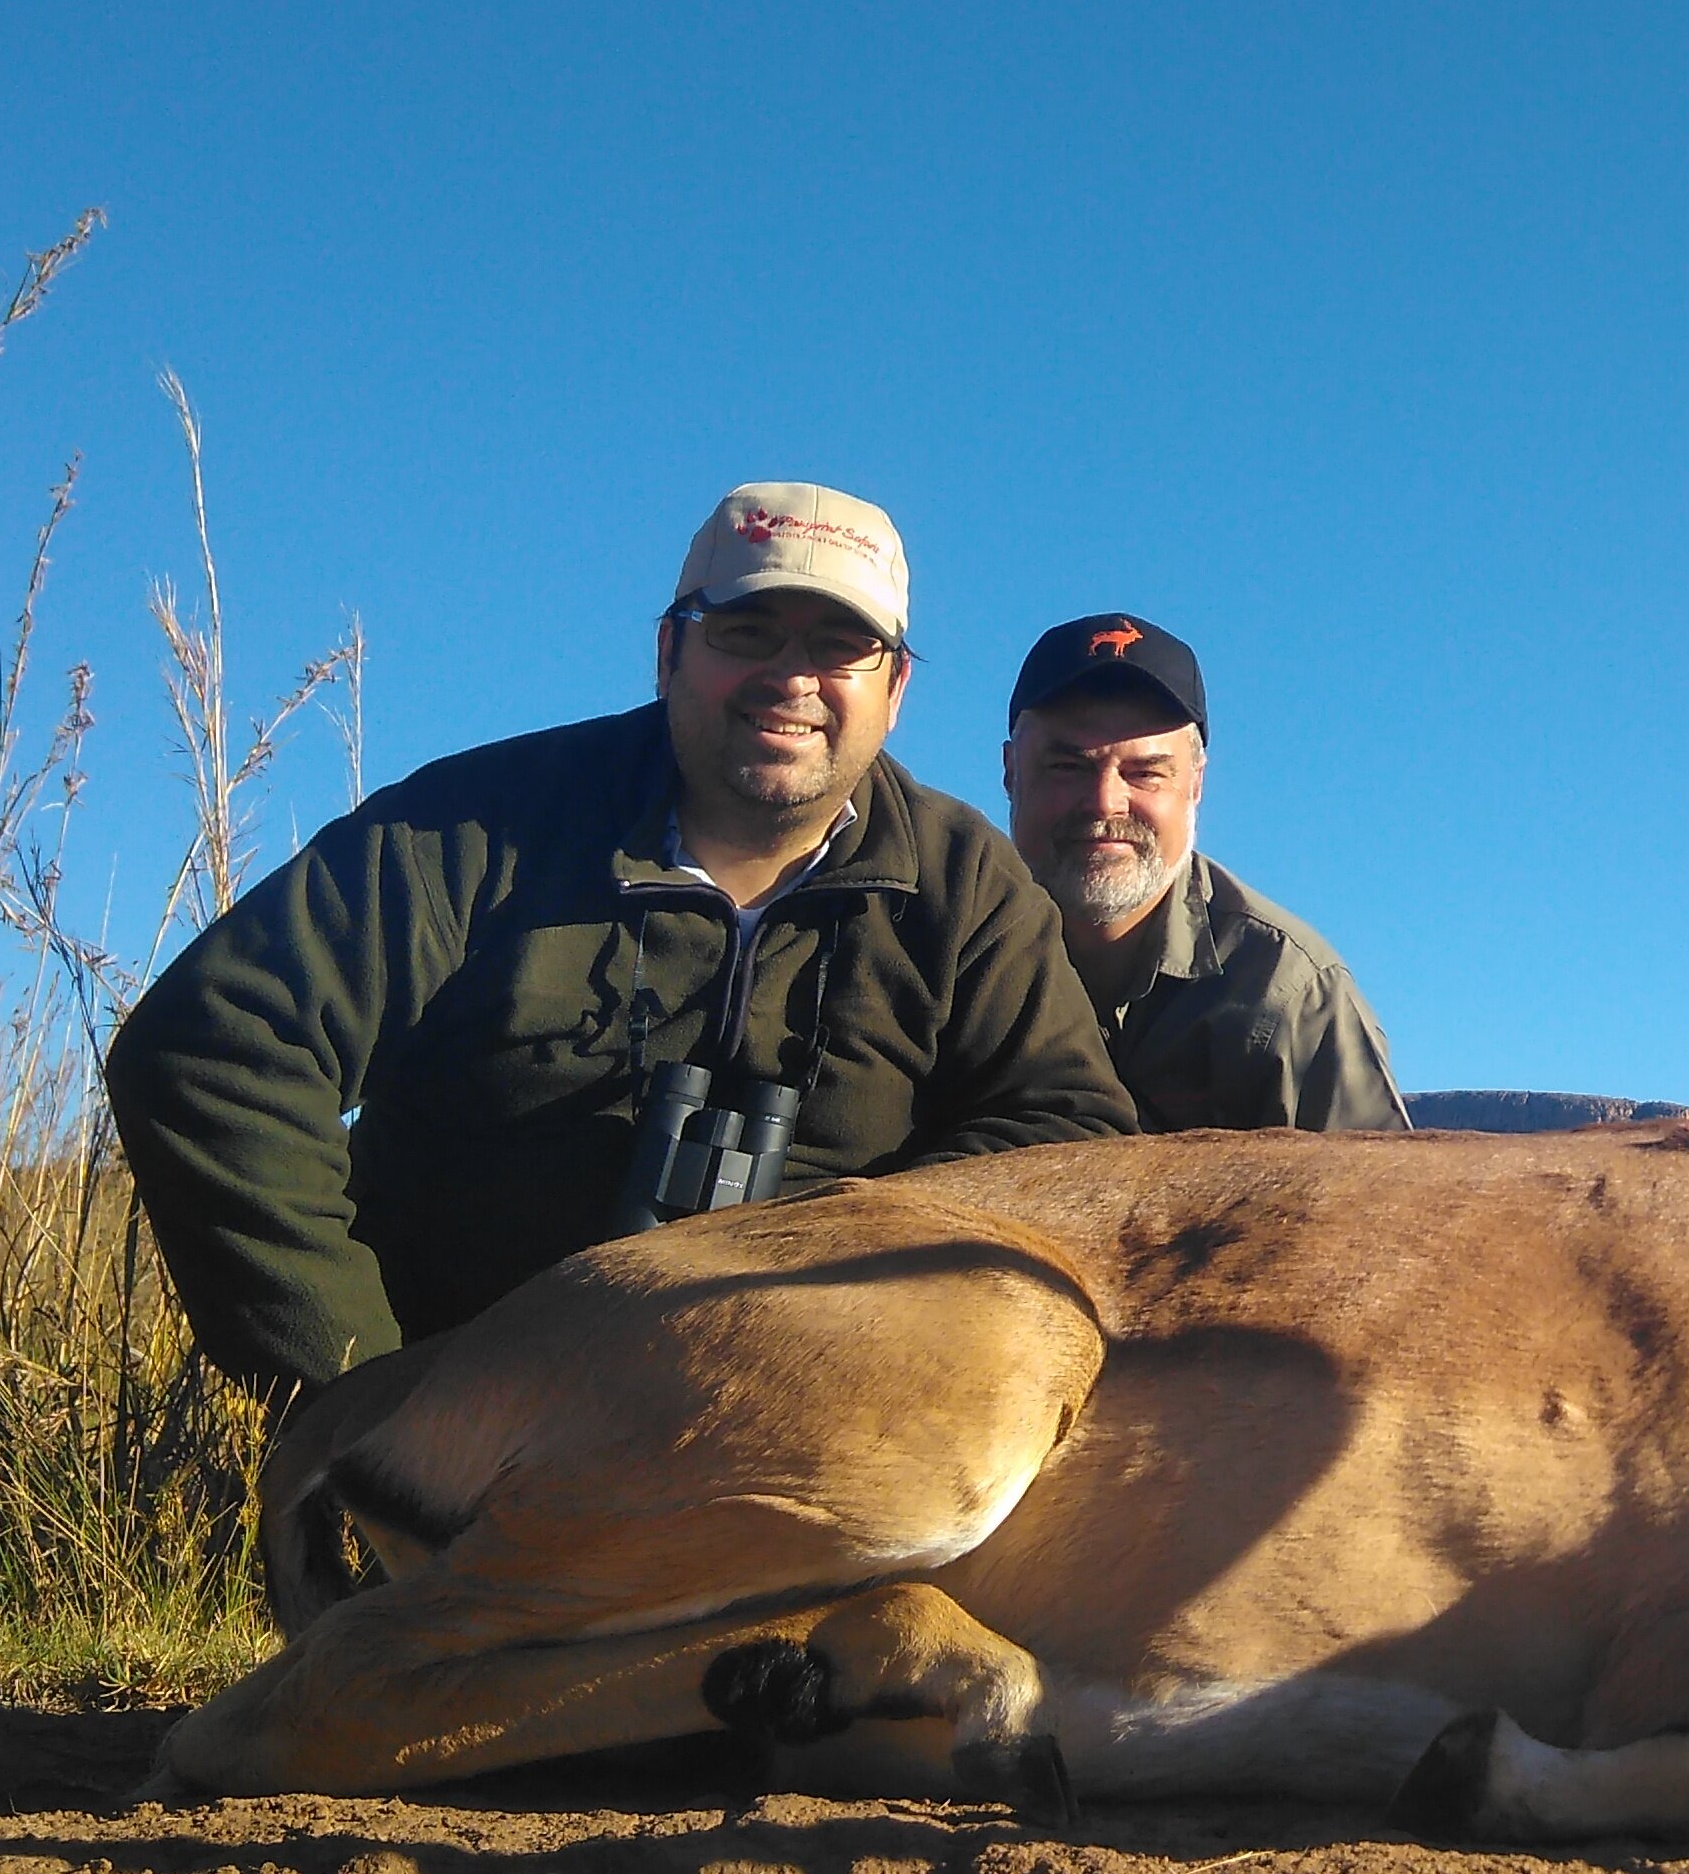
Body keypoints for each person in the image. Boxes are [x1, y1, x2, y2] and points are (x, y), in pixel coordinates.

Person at [107, 483, 1136, 1395]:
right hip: (476, 1433)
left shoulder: (965, 883)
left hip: (816, 1427)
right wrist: (360, 1394)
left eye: (839, 646)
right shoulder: (473, 824)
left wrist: (830, 1255)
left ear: (894, 688)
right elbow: (213, 1048)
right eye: (745, 631)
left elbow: (1070, 1131)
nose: (791, 676)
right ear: (668, 649)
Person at [1002, 613, 1407, 1133]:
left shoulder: (1292, 996)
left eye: (1144, 772)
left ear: (1194, 785)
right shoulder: (949, 951)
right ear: (1012, 773)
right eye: (1066, 767)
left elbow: (1379, 1204)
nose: (1105, 801)